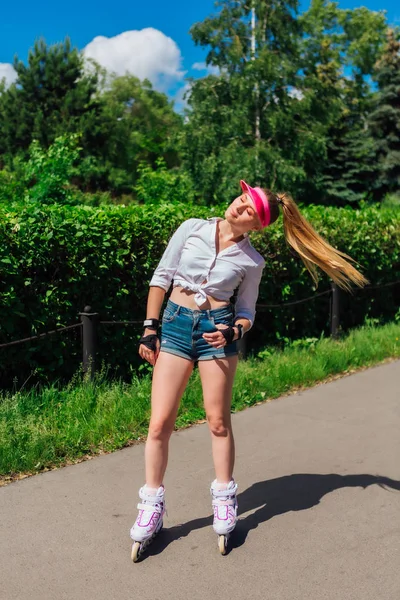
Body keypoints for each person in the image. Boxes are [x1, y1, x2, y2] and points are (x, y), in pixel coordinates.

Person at [129, 180, 367, 559]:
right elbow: (162, 277)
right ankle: (151, 505)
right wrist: (150, 328)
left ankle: (225, 497)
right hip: (173, 326)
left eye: (249, 210)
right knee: (159, 423)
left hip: (217, 333)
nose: (239, 208)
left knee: (218, 421)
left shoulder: (252, 262)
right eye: (241, 200)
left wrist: (233, 330)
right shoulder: (191, 228)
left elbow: (247, 311)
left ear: (258, 226)